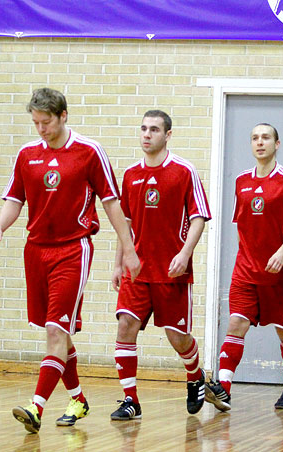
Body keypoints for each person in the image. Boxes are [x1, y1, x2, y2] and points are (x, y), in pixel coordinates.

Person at [0, 88, 141, 432]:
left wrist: (128, 248)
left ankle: (36, 406)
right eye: (36, 123)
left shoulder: (89, 152)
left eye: (46, 122)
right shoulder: (27, 154)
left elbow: (112, 203)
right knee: (57, 330)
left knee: (57, 329)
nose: (41, 129)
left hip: (73, 249)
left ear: (63, 116)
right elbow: (15, 198)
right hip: (35, 250)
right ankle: (77, 398)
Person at [110, 110, 211, 420]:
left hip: (171, 272)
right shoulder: (130, 174)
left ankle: (195, 376)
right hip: (136, 271)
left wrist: (185, 253)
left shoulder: (183, 170)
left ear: (168, 135)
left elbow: (198, 217)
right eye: (143, 128)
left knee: (177, 337)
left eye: (154, 129)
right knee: (126, 327)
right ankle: (130, 400)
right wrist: (118, 263)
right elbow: (124, 223)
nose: (146, 134)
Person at [205, 123, 283, 411]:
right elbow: (241, 226)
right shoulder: (241, 181)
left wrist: (282, 252)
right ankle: (223, 388)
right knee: (236, 323)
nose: (259, 142)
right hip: (246, 271)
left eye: (265, 138)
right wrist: (247, 256)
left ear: (277, 143)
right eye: (254, 138)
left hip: (281, 273)